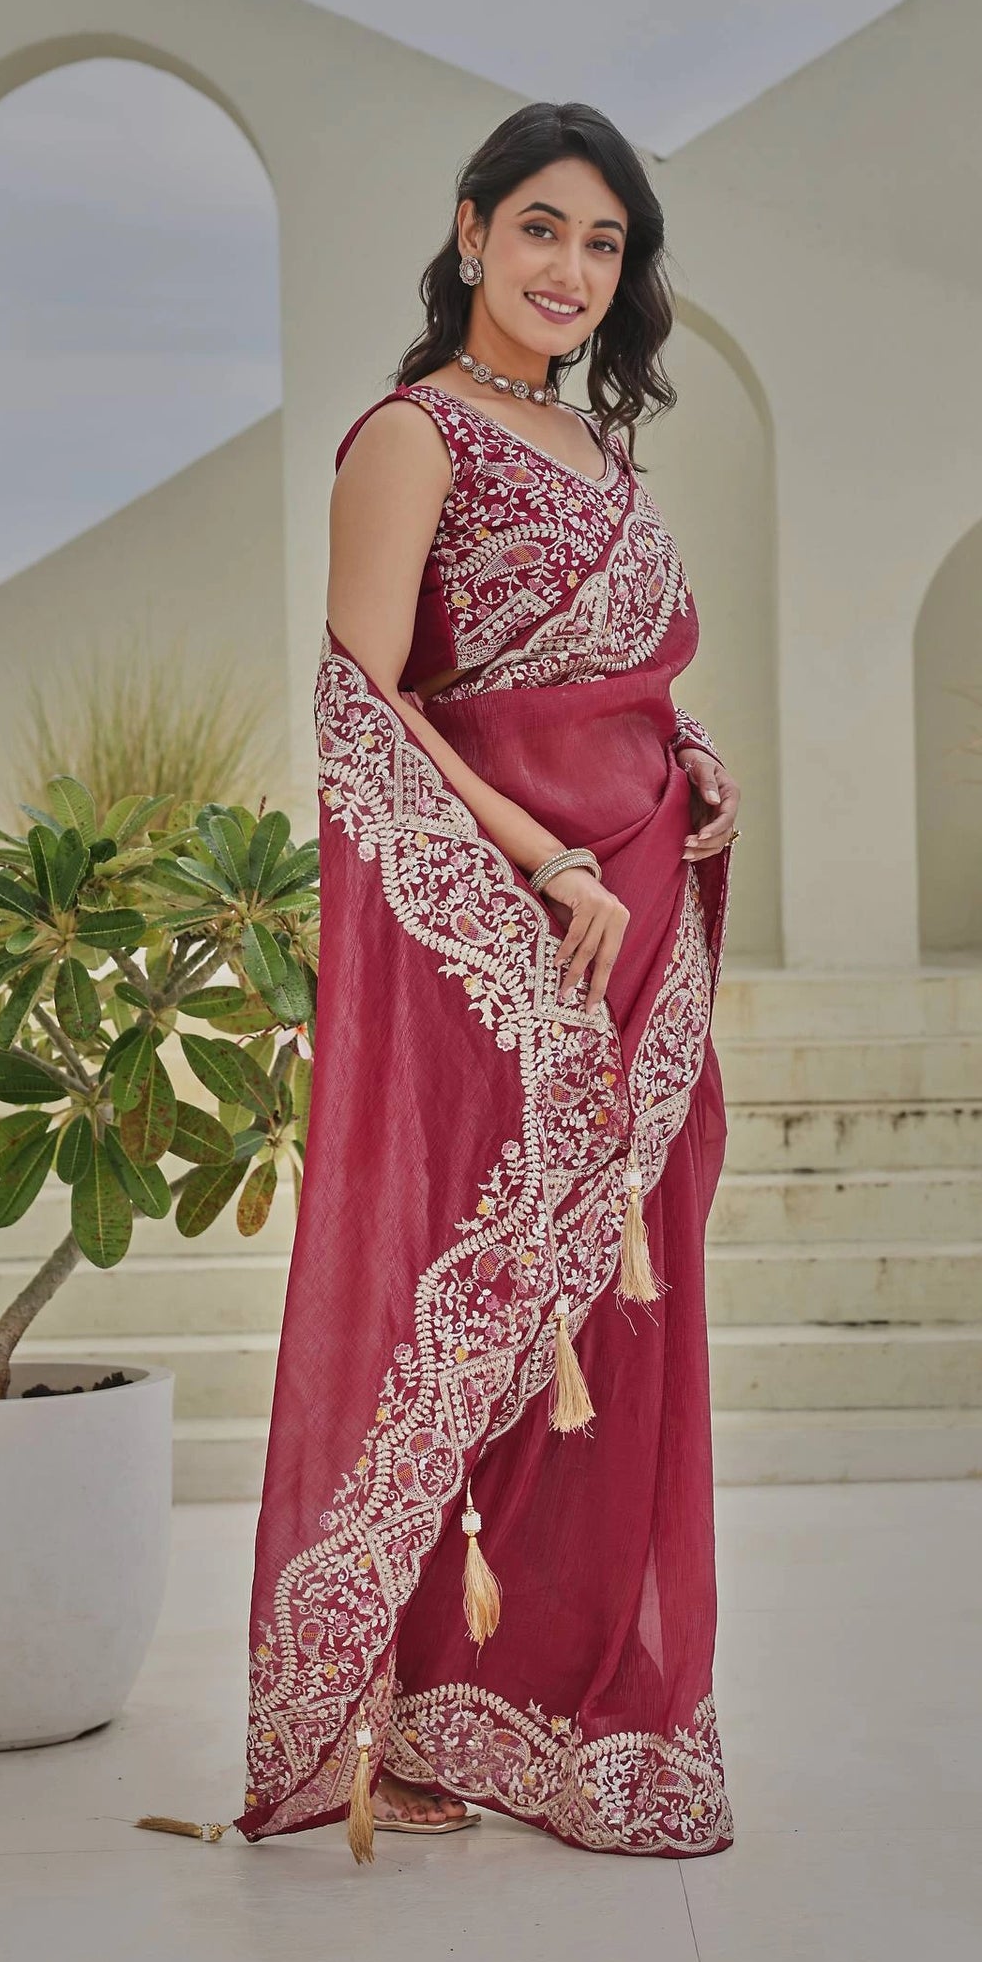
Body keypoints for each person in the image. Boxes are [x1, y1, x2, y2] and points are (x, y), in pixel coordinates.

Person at [141, 99, 740, 1863]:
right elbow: (365, 694)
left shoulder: (599, 456)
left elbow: (599, 687)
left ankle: (573, 1709)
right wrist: (539, 857)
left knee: (626, 1322)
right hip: (517, 938)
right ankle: (373, 1705)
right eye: (543, 229)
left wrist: (687, 758)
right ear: (471, 231)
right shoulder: (411, 436)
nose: (571, 270)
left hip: (643, 917)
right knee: (459, 1306)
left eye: (605, 244)